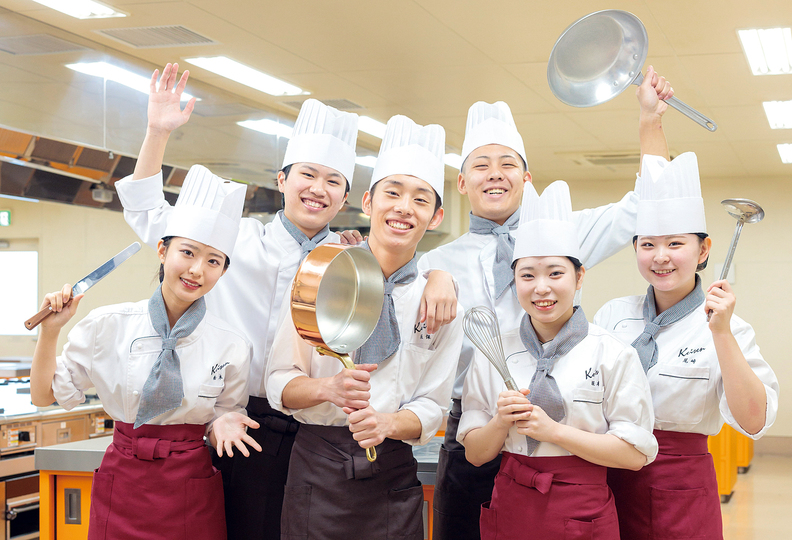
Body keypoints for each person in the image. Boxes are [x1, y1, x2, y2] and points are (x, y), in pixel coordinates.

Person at [115, 64, 458, 540]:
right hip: (253, 423)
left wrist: (441, 275)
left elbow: (405, 263)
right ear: (282, 179)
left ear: (345, 199)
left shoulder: (349, 259)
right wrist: (156, 132)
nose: (318, 189)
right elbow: (151, 216)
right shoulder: (237, 240)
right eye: (307, 174)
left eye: (332, 181)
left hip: (331, 434)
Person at [417, 66, 674, 540]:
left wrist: (649, 122)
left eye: (508, 163)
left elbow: (647, 205)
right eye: (481, 164)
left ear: (527, 176)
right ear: (461, 183)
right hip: (478, 427)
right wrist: (425, 271)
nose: (495, 174)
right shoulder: (435, 261)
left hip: (566, 433)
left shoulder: (565, 234)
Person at [30, 167, 257, 540]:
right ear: (163, 250)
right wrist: (50, 332)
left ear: (223, 271)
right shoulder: (109, 324)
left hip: (191, 487)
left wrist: (222, 425)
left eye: (214, 261)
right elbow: (45, 396)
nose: (197, 270)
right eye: (188, 252)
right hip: (123, 482)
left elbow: (224, 416)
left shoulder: (231, 343)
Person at [266, 115, 464, 540]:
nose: (404, 208)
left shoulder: (442, 304)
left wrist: (389, 424)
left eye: (420, 199)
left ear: (435, 216)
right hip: (317, 469)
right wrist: (327, 390)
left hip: (392, 474)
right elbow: (279, 380)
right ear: (369, 203)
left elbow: (433, 404)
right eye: (392, 193)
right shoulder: (320, 278)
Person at [593, 152, 779, 540]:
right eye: (648, 244)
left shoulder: (729, 327)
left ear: (704, 250)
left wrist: (722, 334)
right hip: (604, 475)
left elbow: (754, 421)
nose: (660, 257)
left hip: (680, 488)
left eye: (675, 243)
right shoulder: (613, 315)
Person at [458, 179, 657, 539]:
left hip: (582, 512)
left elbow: (633, 454)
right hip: (511, 505)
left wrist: (554, 432)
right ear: (515, 281)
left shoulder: (612, 353)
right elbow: (474, 454)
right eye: (527, 275)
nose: (541, 288)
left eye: (555, 273)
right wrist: (500, 422)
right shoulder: (492, 353)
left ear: (579, 276)